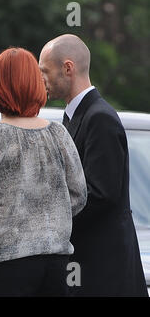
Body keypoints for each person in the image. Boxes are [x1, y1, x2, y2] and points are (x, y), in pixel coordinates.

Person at [0, 47, 87, 296]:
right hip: (56, 259)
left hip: (2, 261)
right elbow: (79, 194)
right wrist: (51, 217)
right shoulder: (59, 133)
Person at [39, 34, 148, 296]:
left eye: (45, 70)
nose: (40, 78)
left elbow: (100, 194)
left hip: (103, 267)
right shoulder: (76, 115)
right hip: (85, 262)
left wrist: (45, 219)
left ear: (68, 68)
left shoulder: (99, 118)